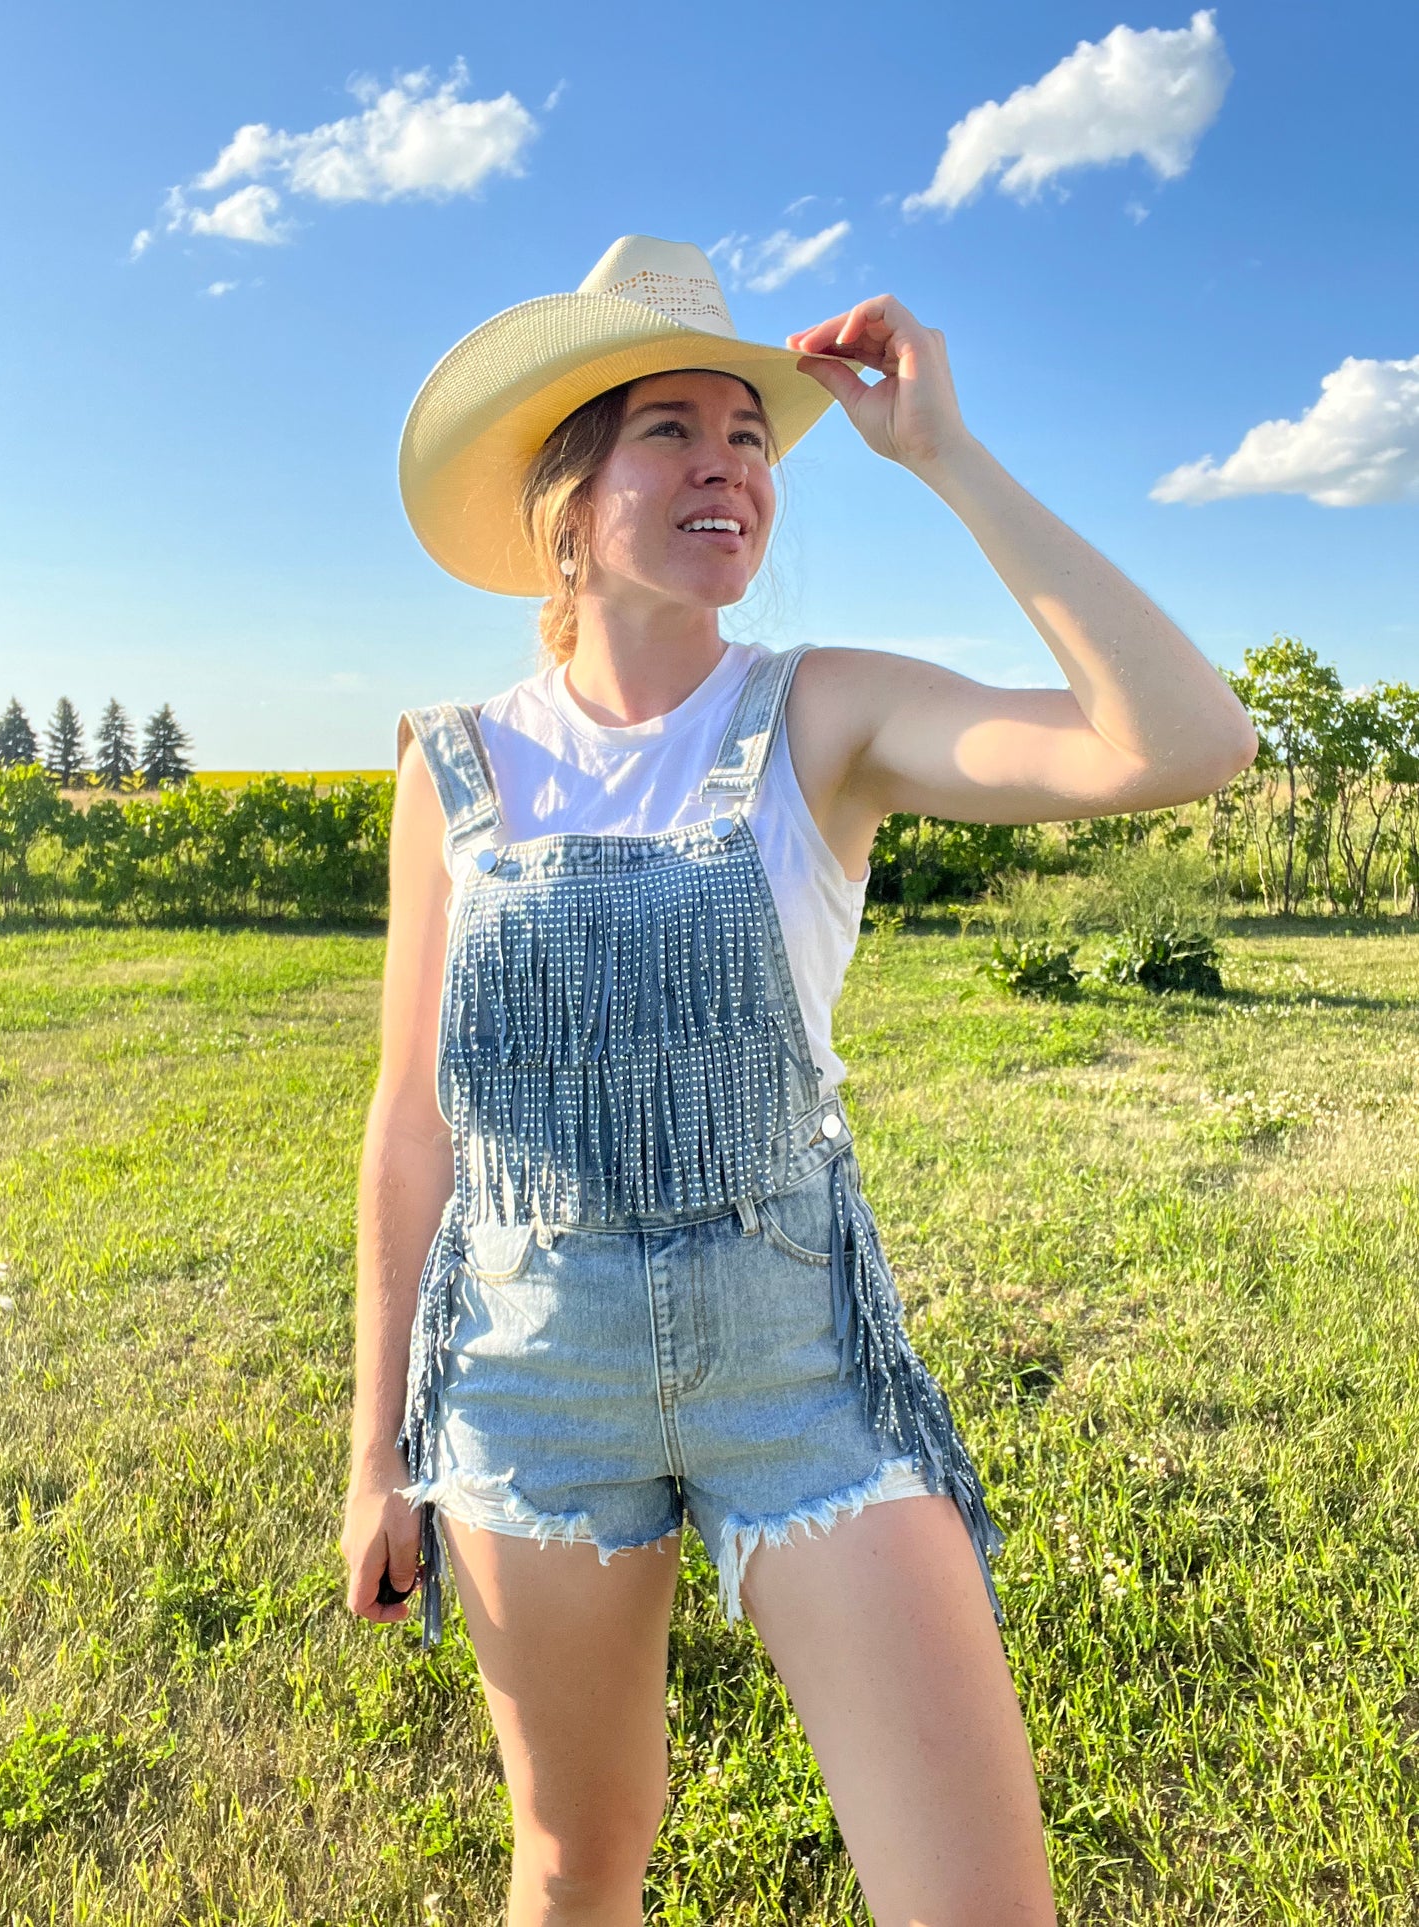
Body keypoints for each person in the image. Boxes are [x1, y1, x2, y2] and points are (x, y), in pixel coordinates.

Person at [340, 235, 1257, 1926]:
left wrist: (946, 458)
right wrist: (372, 1448)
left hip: (798, 1360)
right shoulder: (452, 765)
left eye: (750, 434)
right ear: (568, 495)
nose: (728, 464)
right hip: (528, 1372)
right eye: (671, 430)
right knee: (576, 1860)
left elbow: (1184, 743)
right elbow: (415, 1121)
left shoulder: (823, 714)